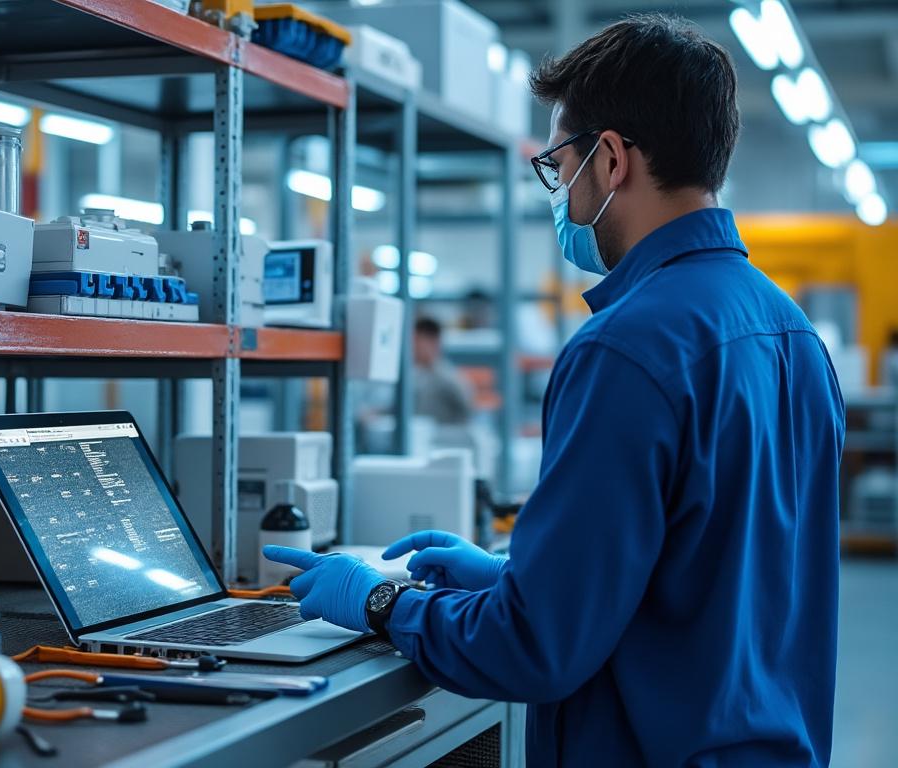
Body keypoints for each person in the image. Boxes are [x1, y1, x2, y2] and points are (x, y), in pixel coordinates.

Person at [265, 14, 844, 766]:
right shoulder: (793, 333)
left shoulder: (627, 348)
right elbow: (720, 574)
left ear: (610, 160)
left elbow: (534, 651)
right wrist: (517, 578)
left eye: (559, 164)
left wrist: (381, 601)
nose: (561, 190)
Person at [412, 316, 475, 426]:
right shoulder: (416, 374)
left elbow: (469, 407)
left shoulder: (447, 376)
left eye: (417, 341)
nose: (413, 347)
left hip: (445, 438)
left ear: (433, 342)